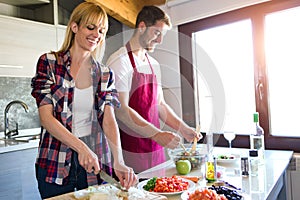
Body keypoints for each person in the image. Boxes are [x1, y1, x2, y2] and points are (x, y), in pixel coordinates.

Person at [31, 2, 137, 199]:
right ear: (74, 27)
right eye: (91, 27)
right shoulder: (50, 63)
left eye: (102, 30)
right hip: (55, 160)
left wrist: (118, 160)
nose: (97, 34)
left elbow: (109, 120)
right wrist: (81, 148)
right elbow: (46, 118)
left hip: (93, 163)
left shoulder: (104, 73)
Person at [106, 6, 202, 173]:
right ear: (142, 27)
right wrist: (158, 134)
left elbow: (160, 105)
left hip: (156, 150)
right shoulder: (119, 61)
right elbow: (121, 110)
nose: (160, 41)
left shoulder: (153, 64)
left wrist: (184, 129)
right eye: (157, 33)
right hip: (131, 151)